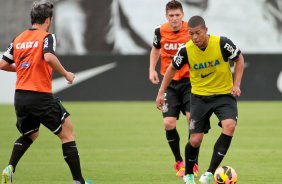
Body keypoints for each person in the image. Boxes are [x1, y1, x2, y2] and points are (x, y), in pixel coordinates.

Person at [0, 1, 90, 184]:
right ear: (48, 20)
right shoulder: (47, 37)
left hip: (20, 97)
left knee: (30, 134)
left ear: (32, 18)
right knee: (67, 133)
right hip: (39, 95)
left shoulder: (18, 38)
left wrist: (26, 67)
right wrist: (66, 74)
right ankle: (78, 181)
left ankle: (9, 168)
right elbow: (48, 57)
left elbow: (2, 64)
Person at [155, 15, 244, 184]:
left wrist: (237, 84)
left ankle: (210, 172)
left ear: (206, 30)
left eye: (198, 33)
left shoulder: (222, 43)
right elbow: (171, 69)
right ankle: (188, 173)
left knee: (230, 126)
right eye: (191, 34)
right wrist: (161, 92)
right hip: (199, 98)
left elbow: (239, 59)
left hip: (224, 94)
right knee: (195, 140)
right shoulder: (186, 50)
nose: (195, 37)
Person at [149, 0, 198, 178]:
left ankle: (193, 162)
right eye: (171, 16)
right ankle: (179, 161)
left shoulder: (191, 31)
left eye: (178, 15)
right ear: (166, 16)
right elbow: (155, 49)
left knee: (192, 120)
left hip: (190, 83)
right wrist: (151, 69)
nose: (175, 18)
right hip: (169, 84)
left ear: (183, 15)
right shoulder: (159, 31)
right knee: (168, 123)